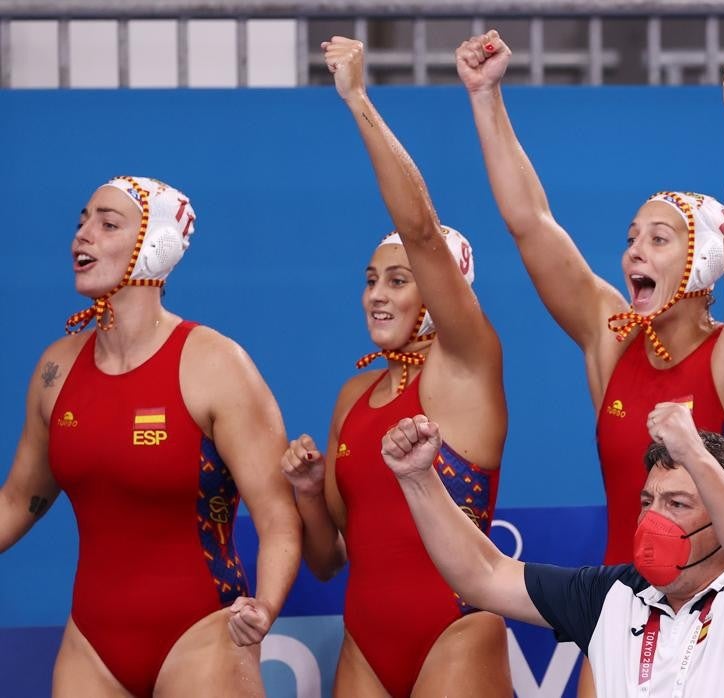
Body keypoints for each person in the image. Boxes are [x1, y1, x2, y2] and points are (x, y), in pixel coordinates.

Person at [454, 30, 724, 567]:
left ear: (703, 262)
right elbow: (532, 225)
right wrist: (484, 96)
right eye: (632, 237)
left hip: (713, 613)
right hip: (619, 602)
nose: (634, 251)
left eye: (659, 239)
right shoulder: (613, 339)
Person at [0, 176, 301, 696]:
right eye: (81, 222)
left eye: (107, 224)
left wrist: (265, 608)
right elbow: (17, 499)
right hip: (91, 645)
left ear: (157, 247)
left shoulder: (215, 364)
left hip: (204, 633)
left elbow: (278, 517)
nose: (82, 236)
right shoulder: (56, 368)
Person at [278, 37, 511, 697]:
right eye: (371, 280)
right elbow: (327, 562)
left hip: (456, 631)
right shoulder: (355, 395)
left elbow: (420, 228)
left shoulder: (469, 365)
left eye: (399, 280)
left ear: (440, 295)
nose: (377, 294)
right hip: (364, 642)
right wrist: (306, 490)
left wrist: (357, 100)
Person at [377, 402, 724, 697]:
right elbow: (483, 575)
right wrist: (418, 478)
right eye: (648, 502)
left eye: (677, 504)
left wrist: (693, 452)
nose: (652, 518)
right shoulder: (613, 595)